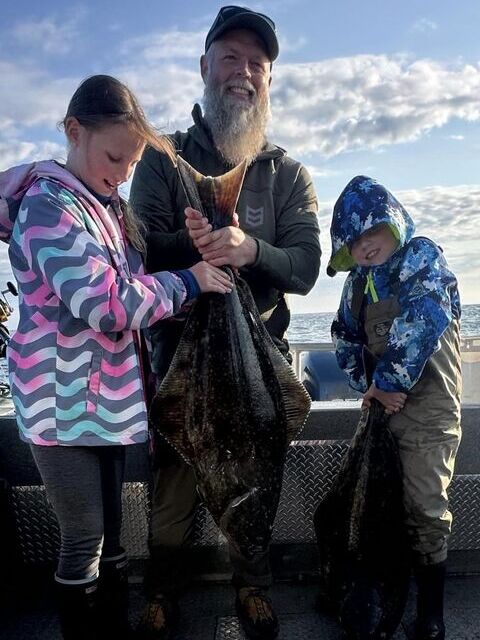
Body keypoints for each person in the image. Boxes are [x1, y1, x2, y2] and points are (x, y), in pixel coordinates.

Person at [0, 74, 233, 640]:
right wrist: (190, 281)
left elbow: (135, 282)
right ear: (74, 132)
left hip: (105, 405)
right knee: (83, 539)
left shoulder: (106, 208)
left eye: (131, 163)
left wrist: (202, 250)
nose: (124, 172)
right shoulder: (47, 208)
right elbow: (106, 304)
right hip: (60, 409)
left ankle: (114, 627)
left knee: (112, 535)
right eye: (114, 157)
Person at [130, 6, 321, 639]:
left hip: (259, 360)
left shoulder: (288, 172)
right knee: (175, 479)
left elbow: (305, 265)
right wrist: (197, 248)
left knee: (257, 483)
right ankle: (162, 590)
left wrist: (248, 251)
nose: (244, 73)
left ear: (269, 81)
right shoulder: (161, 158)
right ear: (205, 66)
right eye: (231, 58)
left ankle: (254, 588)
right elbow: (139, 247)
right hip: (180, 350)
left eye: (258, 65)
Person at [328, 175, 461, 640]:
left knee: (425, 507)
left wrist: (388, 382)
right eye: (355, 241)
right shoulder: (356, 286)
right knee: (373, 511)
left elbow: (422, 320)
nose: (365, 247)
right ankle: (379, 596)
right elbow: (343, 335)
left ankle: (432, 614)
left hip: (428, 415)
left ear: (395, 224)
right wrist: (369, 387)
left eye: (373, 232)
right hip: (380, 415)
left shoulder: (423, 257)